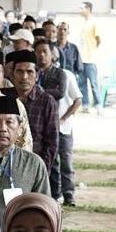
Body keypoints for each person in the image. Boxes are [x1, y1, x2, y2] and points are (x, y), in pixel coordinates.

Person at [35, 38, 81, 206]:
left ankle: (69, 194)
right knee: (51, 161)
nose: (41, 55)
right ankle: (54, 194)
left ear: (52, 54)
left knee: (66, 160)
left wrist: (39, 92)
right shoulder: (34, 73)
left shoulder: (60, 73)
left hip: (62, 125)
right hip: (43, 124)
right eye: (38, 52)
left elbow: (60, 93)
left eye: (44, 52)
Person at [8, 50, 59, 179]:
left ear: (37, 75)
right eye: (19, 71)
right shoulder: (3, 97)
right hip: (5, 167)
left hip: (34, 168)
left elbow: (52, 143)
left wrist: (41, 173)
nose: (24, 77)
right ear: (12, 74)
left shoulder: (47, 101)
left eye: (29, 72)